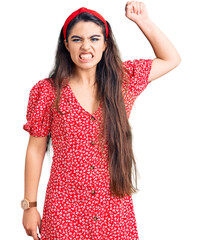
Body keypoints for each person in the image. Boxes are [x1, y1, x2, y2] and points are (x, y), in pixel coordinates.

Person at [21, 1, 181, 240]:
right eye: (77, 39)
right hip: (65, 209)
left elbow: (171, 59)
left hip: (114, 209)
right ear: (66, 45)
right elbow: (35, 149)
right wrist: (29, 205)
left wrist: (142, 21)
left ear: (106, 44)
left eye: (95, 39)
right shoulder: (48, 91)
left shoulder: (123, 81)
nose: (86, 46)